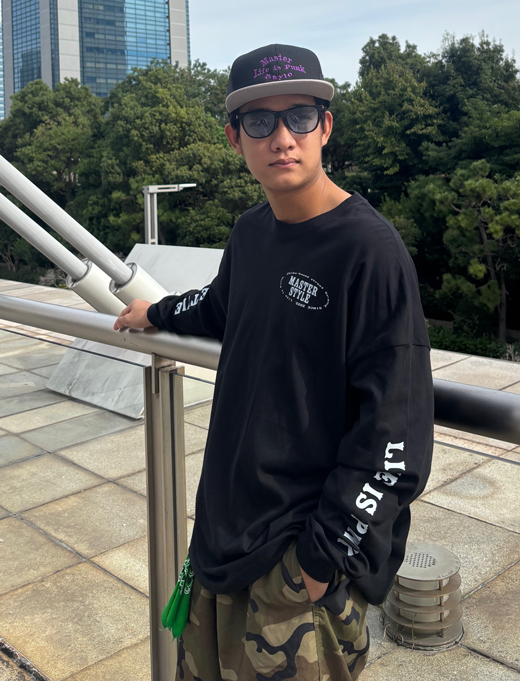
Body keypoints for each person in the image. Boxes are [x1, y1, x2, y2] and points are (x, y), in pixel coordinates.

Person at [113, 43, 435, 681]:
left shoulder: (369, 251)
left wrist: (320, 560)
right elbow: (220, 306)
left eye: (300, 117)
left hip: (295, 568)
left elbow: (394, 434)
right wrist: (157, 312)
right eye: (260, 122)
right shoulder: (252, 232)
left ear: (326, 127)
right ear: (235, 138)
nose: (282, 138)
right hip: (222, 538)